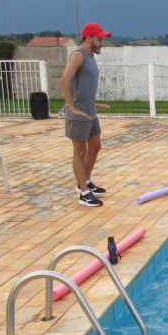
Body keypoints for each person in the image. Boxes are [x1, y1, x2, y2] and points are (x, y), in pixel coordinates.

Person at [62, 22, 111, 207]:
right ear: (89, 38)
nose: (102, 44)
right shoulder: (78, 55)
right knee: (79, 151)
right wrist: (72, 107)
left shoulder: (90, 57)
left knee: (95, 146)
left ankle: (87, 182)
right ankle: (83, 193)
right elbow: (65, 80)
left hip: (90, 111)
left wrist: (95, 103)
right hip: (79, 115)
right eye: (99, 39)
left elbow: (83, 86)